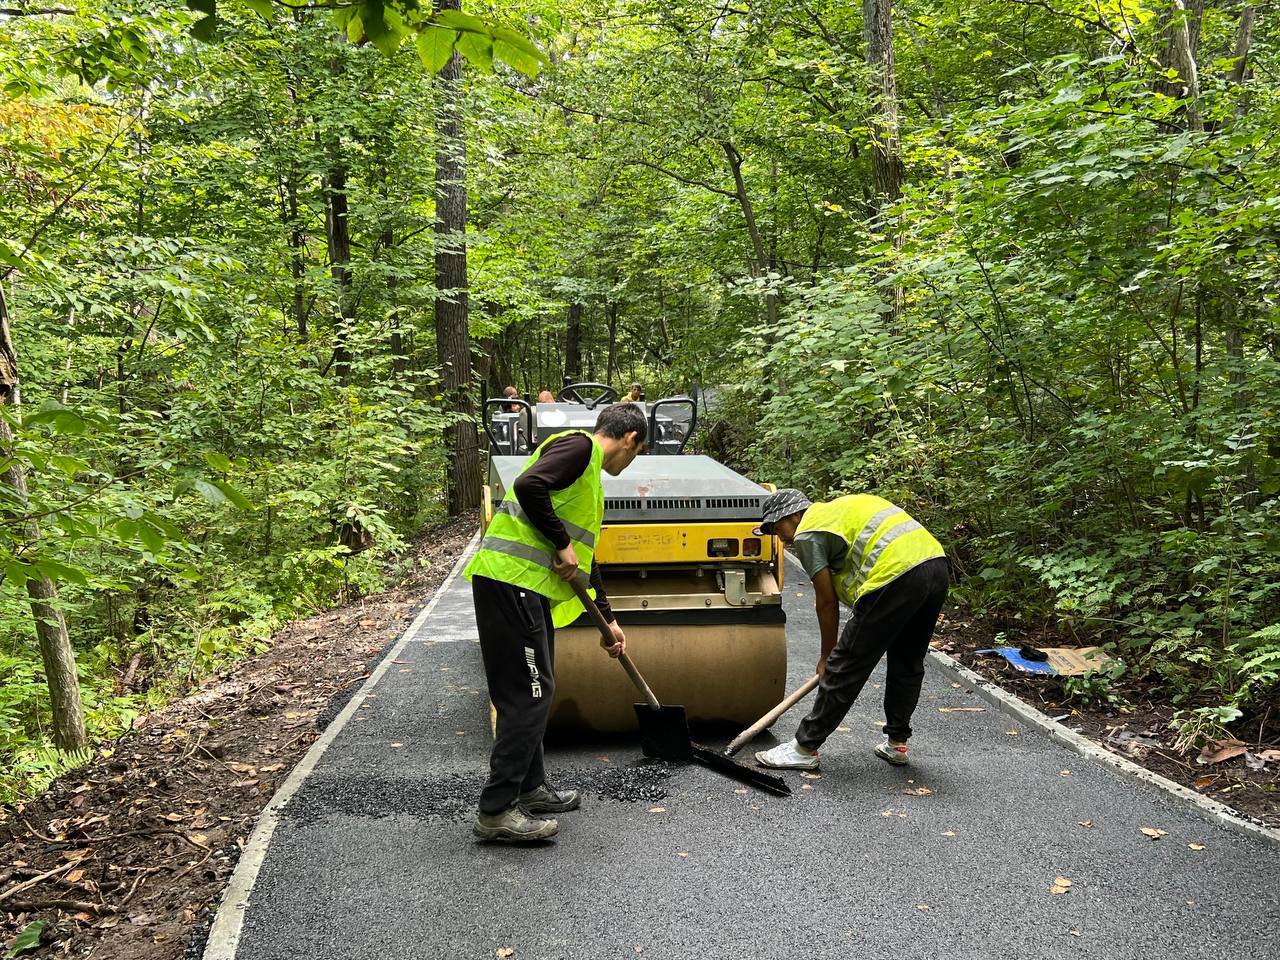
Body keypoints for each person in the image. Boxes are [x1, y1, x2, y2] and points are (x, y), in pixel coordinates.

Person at [464, 403, 648, 842]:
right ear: (630, 439)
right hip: (511, 583)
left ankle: (531, 790)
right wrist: (561, 543)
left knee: (537, 690)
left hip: (524, 589)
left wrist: (609, 618)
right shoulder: (579, 448)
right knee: (527, 695)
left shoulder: (587, 479)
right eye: (638, 452)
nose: (633, 460)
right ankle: (495, 811)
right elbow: (529, 485)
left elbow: (585, 558)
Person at [752, 488, 948, 772]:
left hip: (895, 573)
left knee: (847, 664)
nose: (779, 537)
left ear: (794, 514)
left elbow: (826, 602)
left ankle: (805, 747)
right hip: (935, 565)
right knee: (907, 661)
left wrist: (828, 657)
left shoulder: (808, 532)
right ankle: (897, 743)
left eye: (777, 527)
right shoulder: (837, 513)